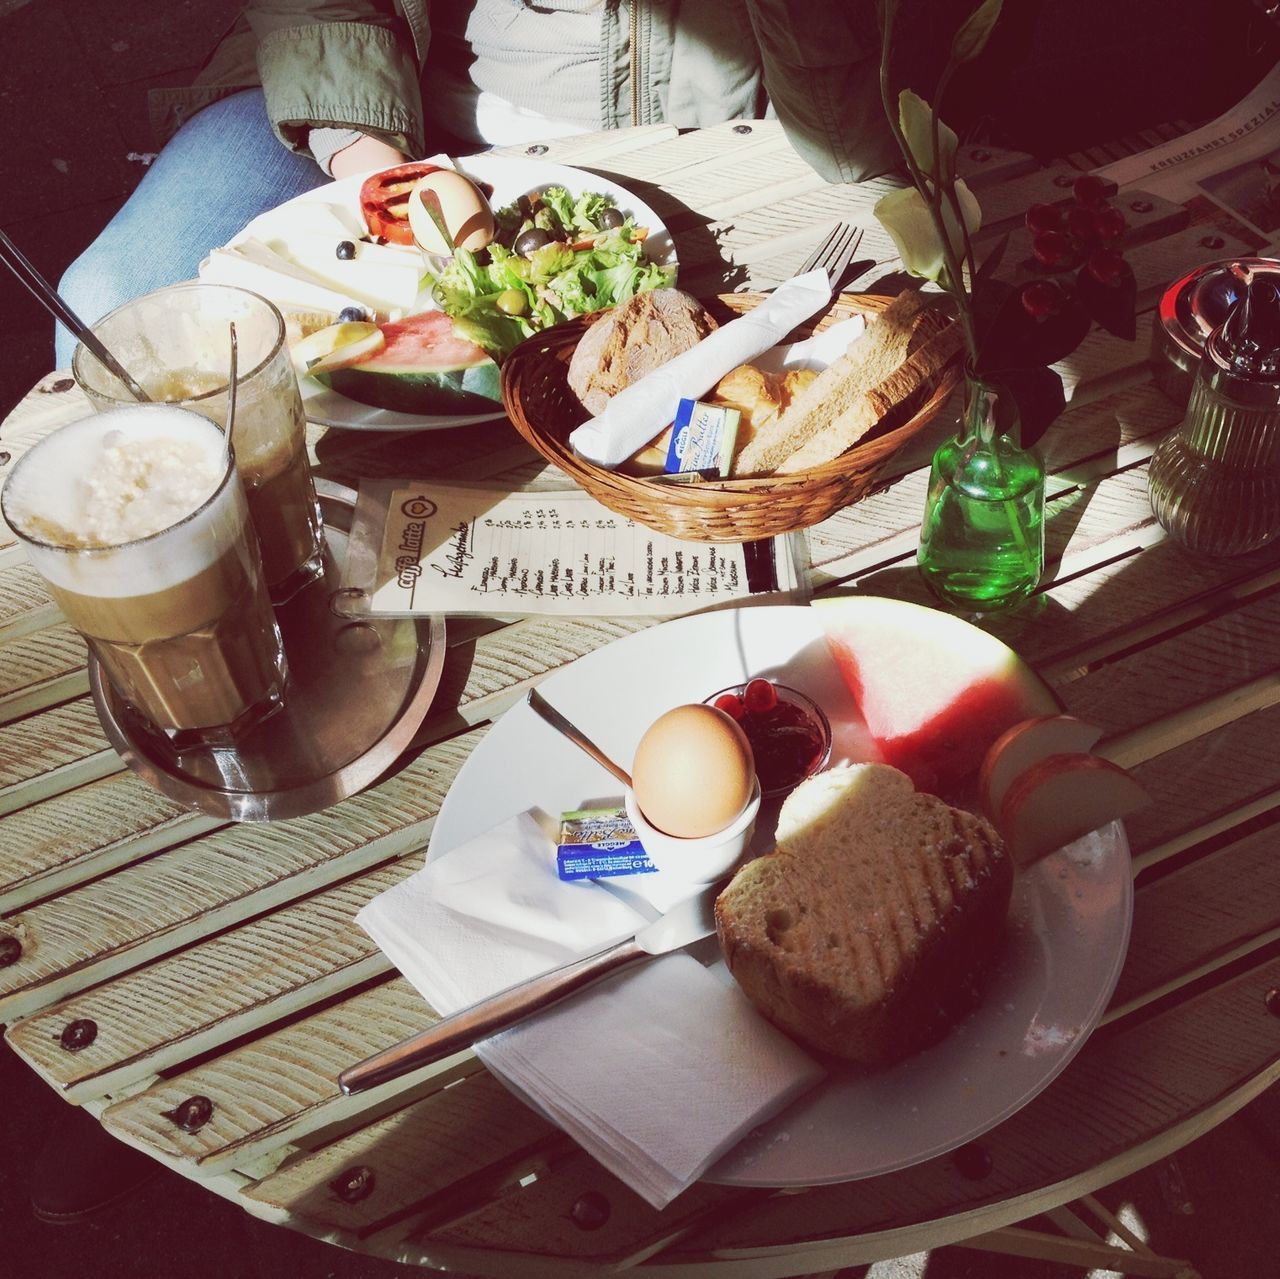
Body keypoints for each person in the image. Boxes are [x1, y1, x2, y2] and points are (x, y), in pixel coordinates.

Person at [55, 0, 895, 366]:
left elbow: (853, 146)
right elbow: (318, 8)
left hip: (695, 149)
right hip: (390, 110)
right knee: (114, 306)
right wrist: (385, 178)